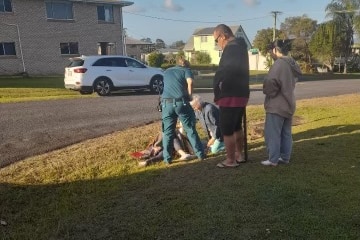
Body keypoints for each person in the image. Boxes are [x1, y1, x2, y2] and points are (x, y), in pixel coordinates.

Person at [212, 24, 250, 168]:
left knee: (226, 128)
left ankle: (230, 160)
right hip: (241, 93)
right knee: (236, 126)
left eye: (216, 40)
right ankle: (239, 155)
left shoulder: (231, 48)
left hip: (229, 93)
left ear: (223, 36)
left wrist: (220, 86)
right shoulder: (241, 47)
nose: (217, 44)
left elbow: (227, 71)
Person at [261, 39, 302, 166]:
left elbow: (271, 85)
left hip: (276, 105)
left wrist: (266, 88)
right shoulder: (292, 64)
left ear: (275, 50)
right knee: (286, 133)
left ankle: (273, 159)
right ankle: (285, 157)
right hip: (289, 103)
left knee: (273, 133)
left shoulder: (279, 64)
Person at [161, 56, 205, 164]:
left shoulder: (166, 72)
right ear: (186, 65)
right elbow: (190, 82)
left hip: (166, 103)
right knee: (190, 129)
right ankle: (200, 154)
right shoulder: (186, 70)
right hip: (181, 102)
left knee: (167, 132)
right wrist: (190, 96)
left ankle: (167, 159)